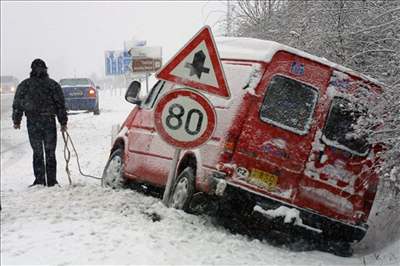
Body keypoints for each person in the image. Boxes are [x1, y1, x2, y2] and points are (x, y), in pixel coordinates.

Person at [12, 58, 68, 187]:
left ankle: (39, 180)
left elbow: (17, 104)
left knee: (37, 152)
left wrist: (17, 120)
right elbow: (60, 104)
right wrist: (63, 122)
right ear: (46, 70)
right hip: (49, 121)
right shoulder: (52, 85)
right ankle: (52, 181)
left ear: (31, 70)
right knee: (50, 152)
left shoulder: (25, 85)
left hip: (33, 122)